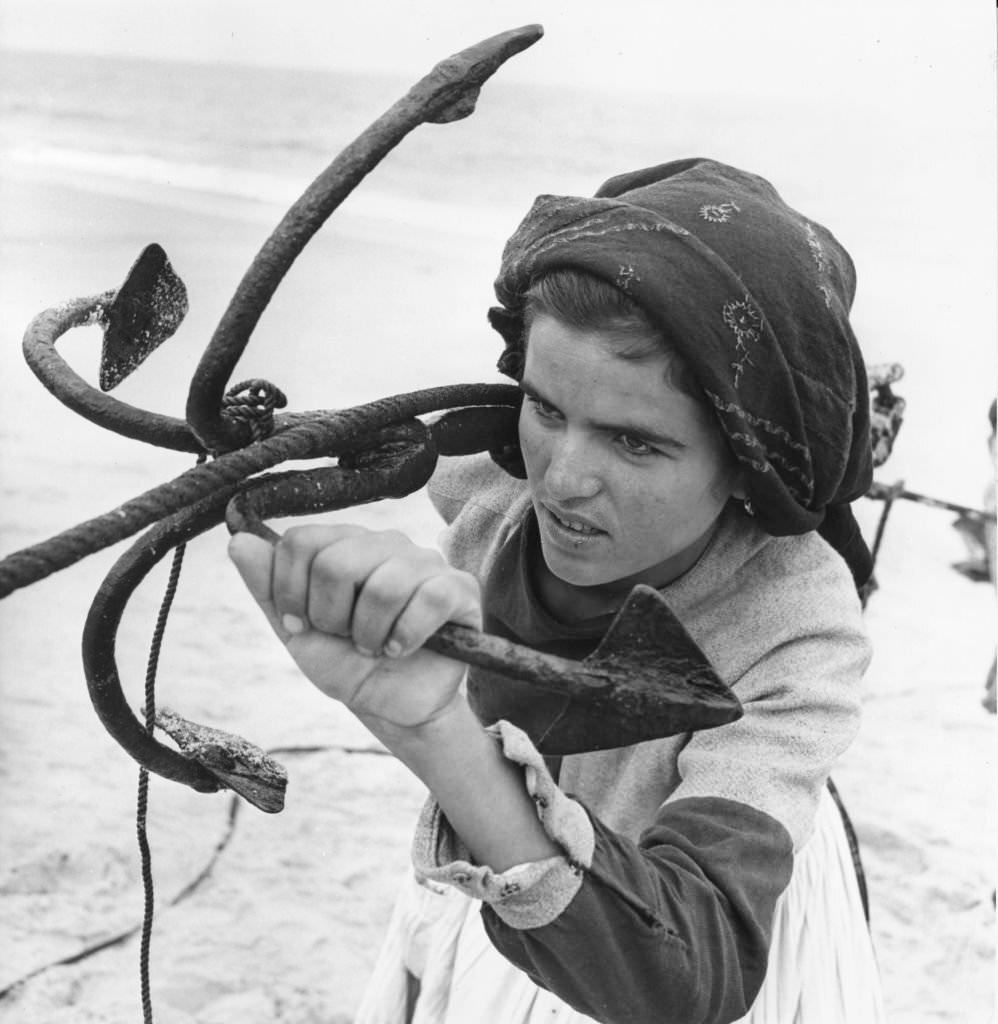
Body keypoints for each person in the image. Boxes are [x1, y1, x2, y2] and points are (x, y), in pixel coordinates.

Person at [229, 158, 885, 1023]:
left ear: (746, 466)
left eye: (635, 443)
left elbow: (689, 979)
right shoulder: (483, 487)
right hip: (501, 872)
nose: (562, 482)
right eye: (545, 409)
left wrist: (434, 733)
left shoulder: (795, 635)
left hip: (675, 925)